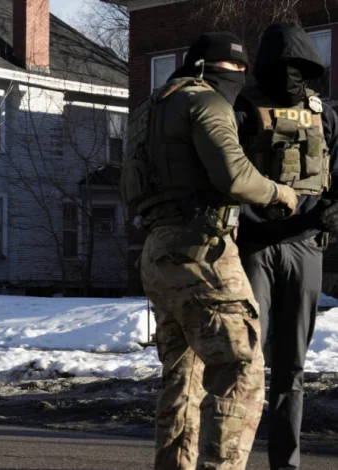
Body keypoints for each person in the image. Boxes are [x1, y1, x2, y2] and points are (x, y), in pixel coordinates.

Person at [122, 33, 299, 469]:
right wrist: (280, 192)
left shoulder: (149, 109)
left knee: (184, 377)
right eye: (237, 69)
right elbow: (234, 175)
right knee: (240, 368)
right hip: (203, 251)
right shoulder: (206, 102)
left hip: (159, 251)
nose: (240, 77)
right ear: (213, 67)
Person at [234, 23, 338, 470]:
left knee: (292, 368)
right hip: (252, 247)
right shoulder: (242, 106)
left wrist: (331, 212)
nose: (292, 76)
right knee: (244, 359)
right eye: (283, 68)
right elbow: (224, 170)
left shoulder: (325, 114)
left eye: (301, 68)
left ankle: (286, 464)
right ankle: (229, 459)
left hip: (305, 246)